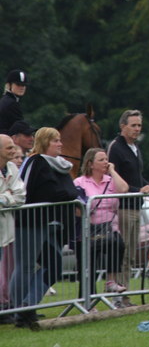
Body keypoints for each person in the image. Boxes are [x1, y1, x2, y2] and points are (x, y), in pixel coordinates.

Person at [11, 127, 78, 329]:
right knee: (25, 265)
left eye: (59, 140)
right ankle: (18, 312)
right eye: (55, 140)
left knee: (55, 264)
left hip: (50, 224)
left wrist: (65, 194)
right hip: (31, 221)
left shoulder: (60, 165)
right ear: (45, 143)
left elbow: (68, 191)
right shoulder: (36, 162)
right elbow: (37, 191)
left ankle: (27, 305)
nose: (60, 144)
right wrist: (65, 194)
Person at [107, 110, 149, 306]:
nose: (137, 129)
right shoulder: (116, 148)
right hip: (123, 207)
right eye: (133, 125)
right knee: (123, 253)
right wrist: (137, 189)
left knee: (131, 254)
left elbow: (138, 177)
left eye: (139, 125)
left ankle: (123, 294)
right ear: (122, 126)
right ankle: (118, 295)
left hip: (136, 205)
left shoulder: (135, 148)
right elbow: (114, 180)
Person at [74, 148, 129, 296]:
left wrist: (112, 171)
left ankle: (111, 281)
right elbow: (79, 206)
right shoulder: (80, 182)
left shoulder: (111, 181)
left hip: (110, 228)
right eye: (101, 160)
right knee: (88, 267)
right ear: (91, 164)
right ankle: (87, 301)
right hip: (88, 231)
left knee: (118, 244)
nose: (106, 162)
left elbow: (124, 189)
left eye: (106, 159)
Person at [0, 135, 25, 324]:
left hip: (6, 229)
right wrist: (8, 195)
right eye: (9, 148)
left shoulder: (12, 168)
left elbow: (21, 196)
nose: (13, 151)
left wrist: (5, 198)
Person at [0, 70, 28, 135]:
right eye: (18, 84)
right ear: (9, 85)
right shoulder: (12, 103)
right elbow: (21, 128)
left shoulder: (5, 100)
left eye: (24, 85)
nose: (22, 87)